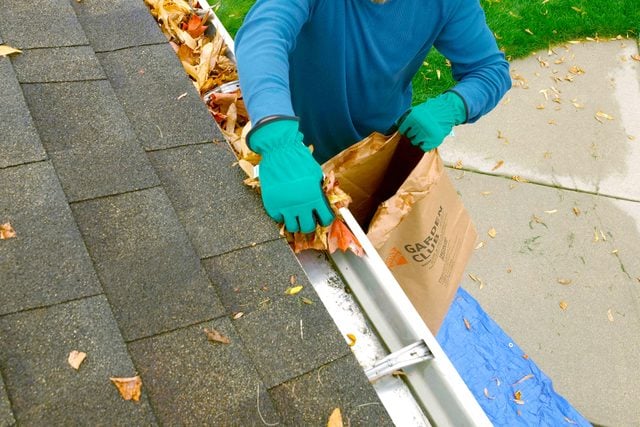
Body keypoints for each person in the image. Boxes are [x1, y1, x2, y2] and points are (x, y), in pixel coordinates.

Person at [235, 0, 511, 234]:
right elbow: (264, 35)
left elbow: (489, 70)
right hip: (286, 155)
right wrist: (277, 139)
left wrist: (453, 106)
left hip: (375, 159)